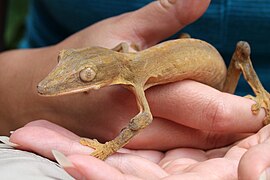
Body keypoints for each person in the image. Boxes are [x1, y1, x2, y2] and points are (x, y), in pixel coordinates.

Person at [0, 0, 269, 179]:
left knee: (241, 51)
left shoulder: (135, 73)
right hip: (32, 131)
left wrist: (107, 149)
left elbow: (143, 118)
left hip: (227, 93)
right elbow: (116, 54)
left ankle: (263, 93)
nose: (82, 80)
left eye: (86, 76)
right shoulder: (125, 63)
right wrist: (18, 92)